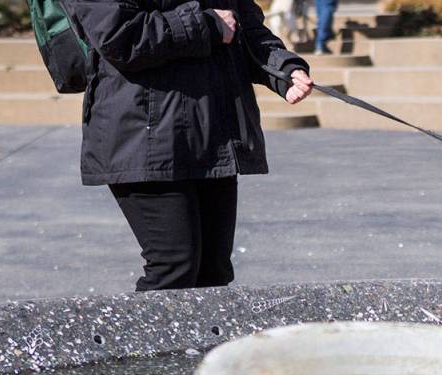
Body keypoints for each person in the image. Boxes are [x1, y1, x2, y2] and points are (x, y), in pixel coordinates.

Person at [64, 0, 314, 291]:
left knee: (214, 271)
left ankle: (210, 339)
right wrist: (207, 25)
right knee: (174, 267)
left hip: (213, 134)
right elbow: (119, 36)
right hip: (145, 137)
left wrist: (284, 69)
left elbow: (243, 25)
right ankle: (145, 337)